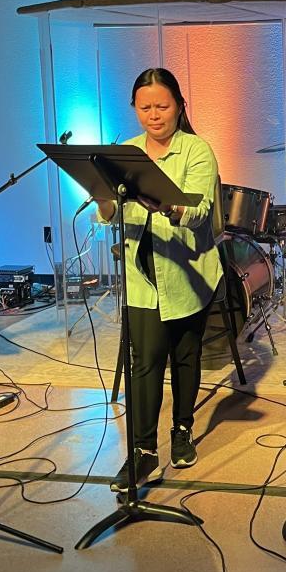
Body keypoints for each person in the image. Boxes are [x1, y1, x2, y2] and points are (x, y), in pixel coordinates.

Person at [96, 68, 223, 491]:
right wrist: (102, 197)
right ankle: (143, 451)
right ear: (134, 108)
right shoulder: (127, 152)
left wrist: (166, 205)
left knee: (186, 354)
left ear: (180, 107)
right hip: (142, 275)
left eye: (162, 106)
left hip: (188, 271)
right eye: (145, 107)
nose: (154, 115)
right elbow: (109, 214)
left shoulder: (196, 150)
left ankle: (182, 429)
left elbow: (199, 212)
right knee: (146, 359)